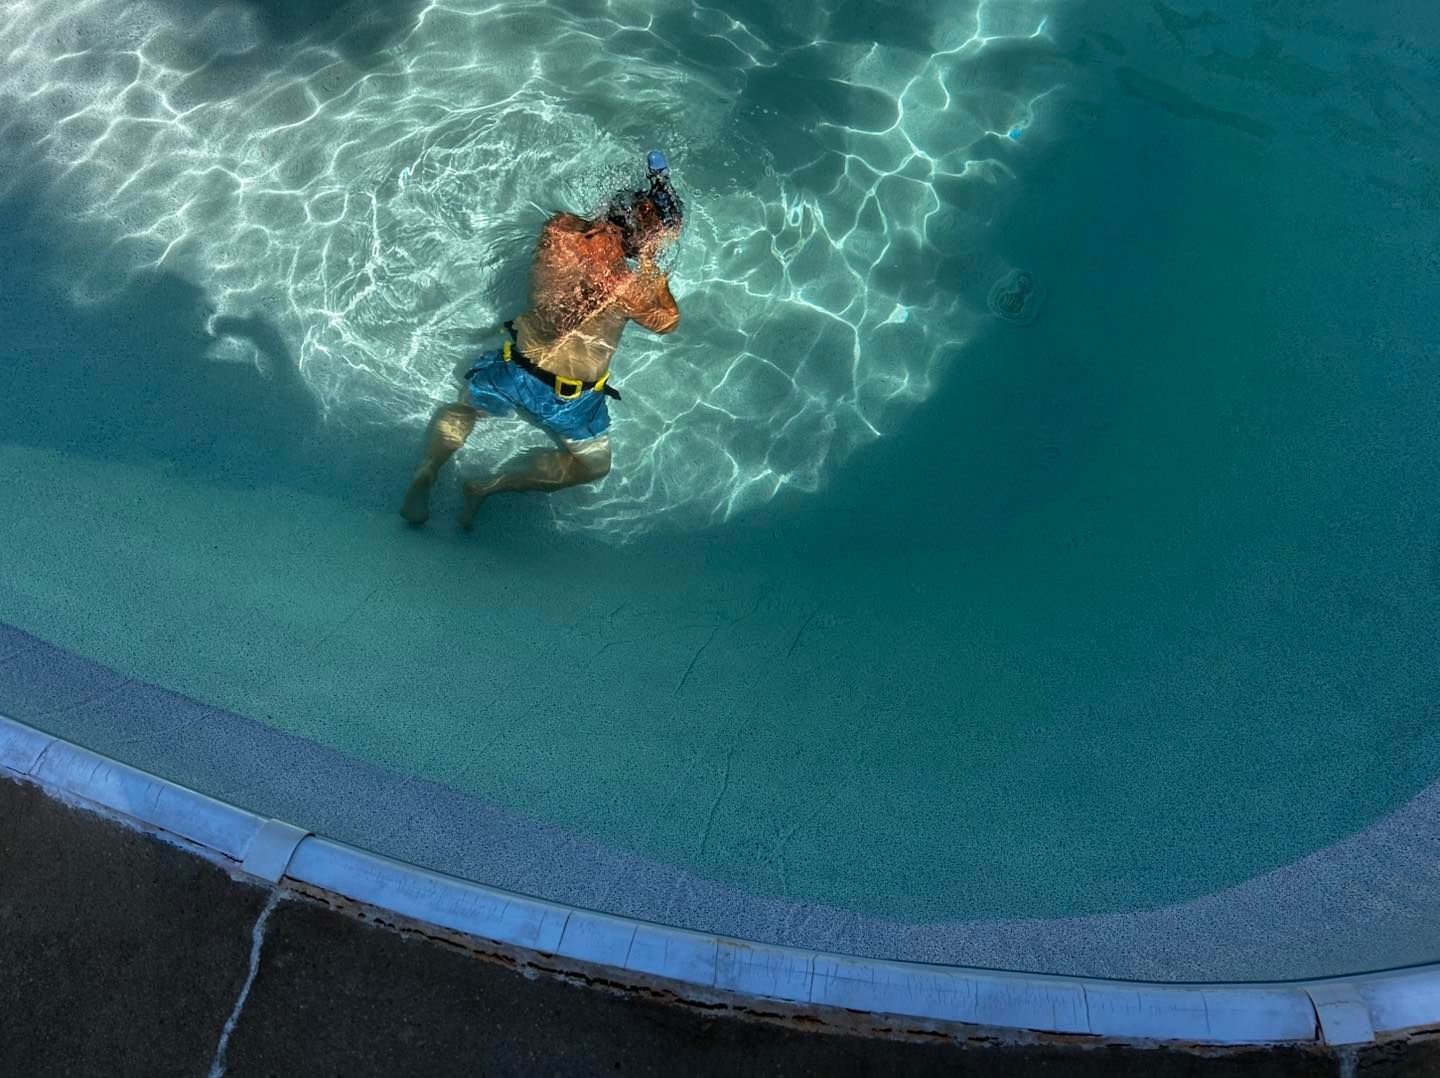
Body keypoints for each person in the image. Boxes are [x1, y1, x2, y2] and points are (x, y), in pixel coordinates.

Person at [400, 150, 684, 527]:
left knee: (467, 407)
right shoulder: (628, 285)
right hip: (568, 398)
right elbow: (667, 322)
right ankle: (487, 486)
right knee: (594, 465)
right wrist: (655, 268)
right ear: (645, 236)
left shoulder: (561, 229)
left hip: (514, 364)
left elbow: (589, 249)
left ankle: (427, 471)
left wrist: (632, 216)